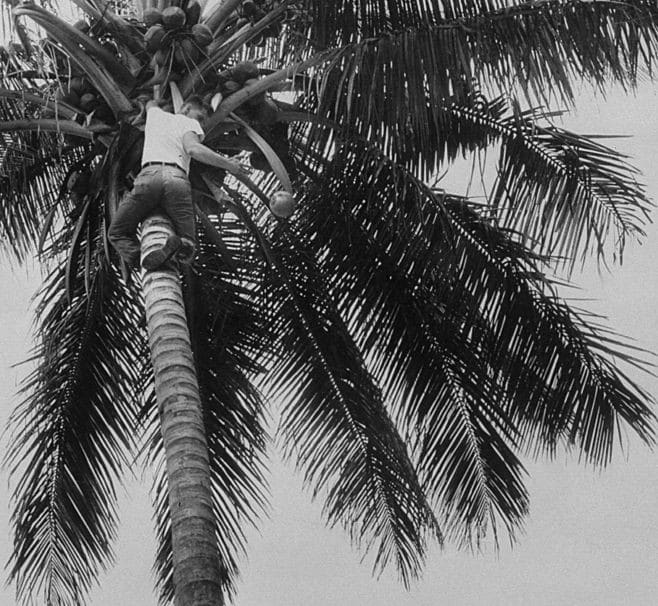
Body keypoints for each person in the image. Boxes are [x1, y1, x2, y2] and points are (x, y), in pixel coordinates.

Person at [108, 95, 248, 270]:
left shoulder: (155, 116)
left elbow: (151, 102)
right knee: (187, 245)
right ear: (186, 109)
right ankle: (174, 247)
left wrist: (153, 97)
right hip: (176, 180)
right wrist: (229, 165)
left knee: (117, 232)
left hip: (148, 178)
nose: (202, 123)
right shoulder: (189, 124)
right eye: (200, 117)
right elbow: (193, 148)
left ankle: (141, 257)